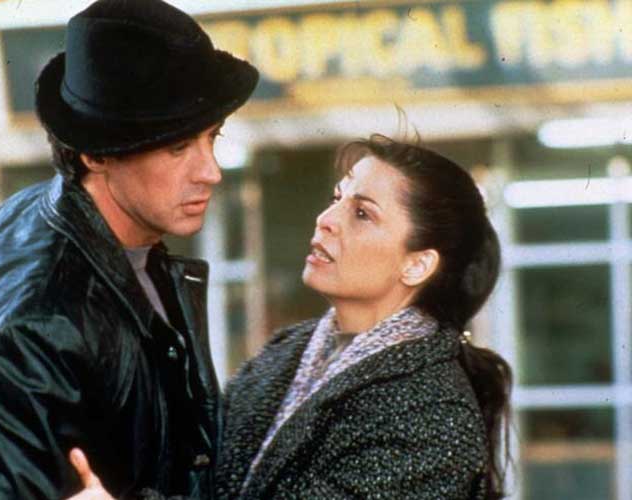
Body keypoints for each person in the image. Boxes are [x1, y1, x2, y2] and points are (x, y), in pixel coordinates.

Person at [0, 0, 258, 498]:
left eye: (212, 138)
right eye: (177, 148)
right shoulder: (37, 323)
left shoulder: (94, 226)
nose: (210, 171)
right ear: (96, 154)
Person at [71, 135, 512, 499]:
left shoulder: (433, 415)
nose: (325, 219)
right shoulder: (287, 352)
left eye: (362, 213)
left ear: (417, 264)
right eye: (337, 198)